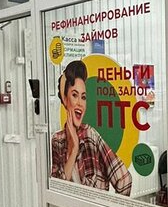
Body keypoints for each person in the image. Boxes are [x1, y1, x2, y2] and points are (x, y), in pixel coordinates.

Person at [51, 59, 132, 195]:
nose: (80, 103)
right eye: (74, 95)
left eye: (83, 97)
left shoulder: (90, 135)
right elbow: (57, 190)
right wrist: (74, 150)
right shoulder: (57, 141)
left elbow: (125, 180)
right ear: (65, 99)